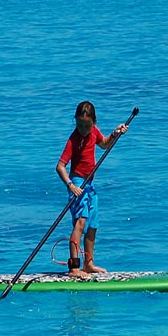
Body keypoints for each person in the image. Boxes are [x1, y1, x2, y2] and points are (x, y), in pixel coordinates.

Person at [56, 101, 128, 278]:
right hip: (77, 183)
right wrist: (70, 185)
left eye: (87, 125)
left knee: (92, 225)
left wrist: (115, 134)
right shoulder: (73, 139)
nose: (83, 129)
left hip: (90, 185)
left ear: (94, 122)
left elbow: (104, 144)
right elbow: (60, 166)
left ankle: (89, 264)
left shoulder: (94, 131)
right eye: (80, 125)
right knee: (81, 223)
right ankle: (74, 267)